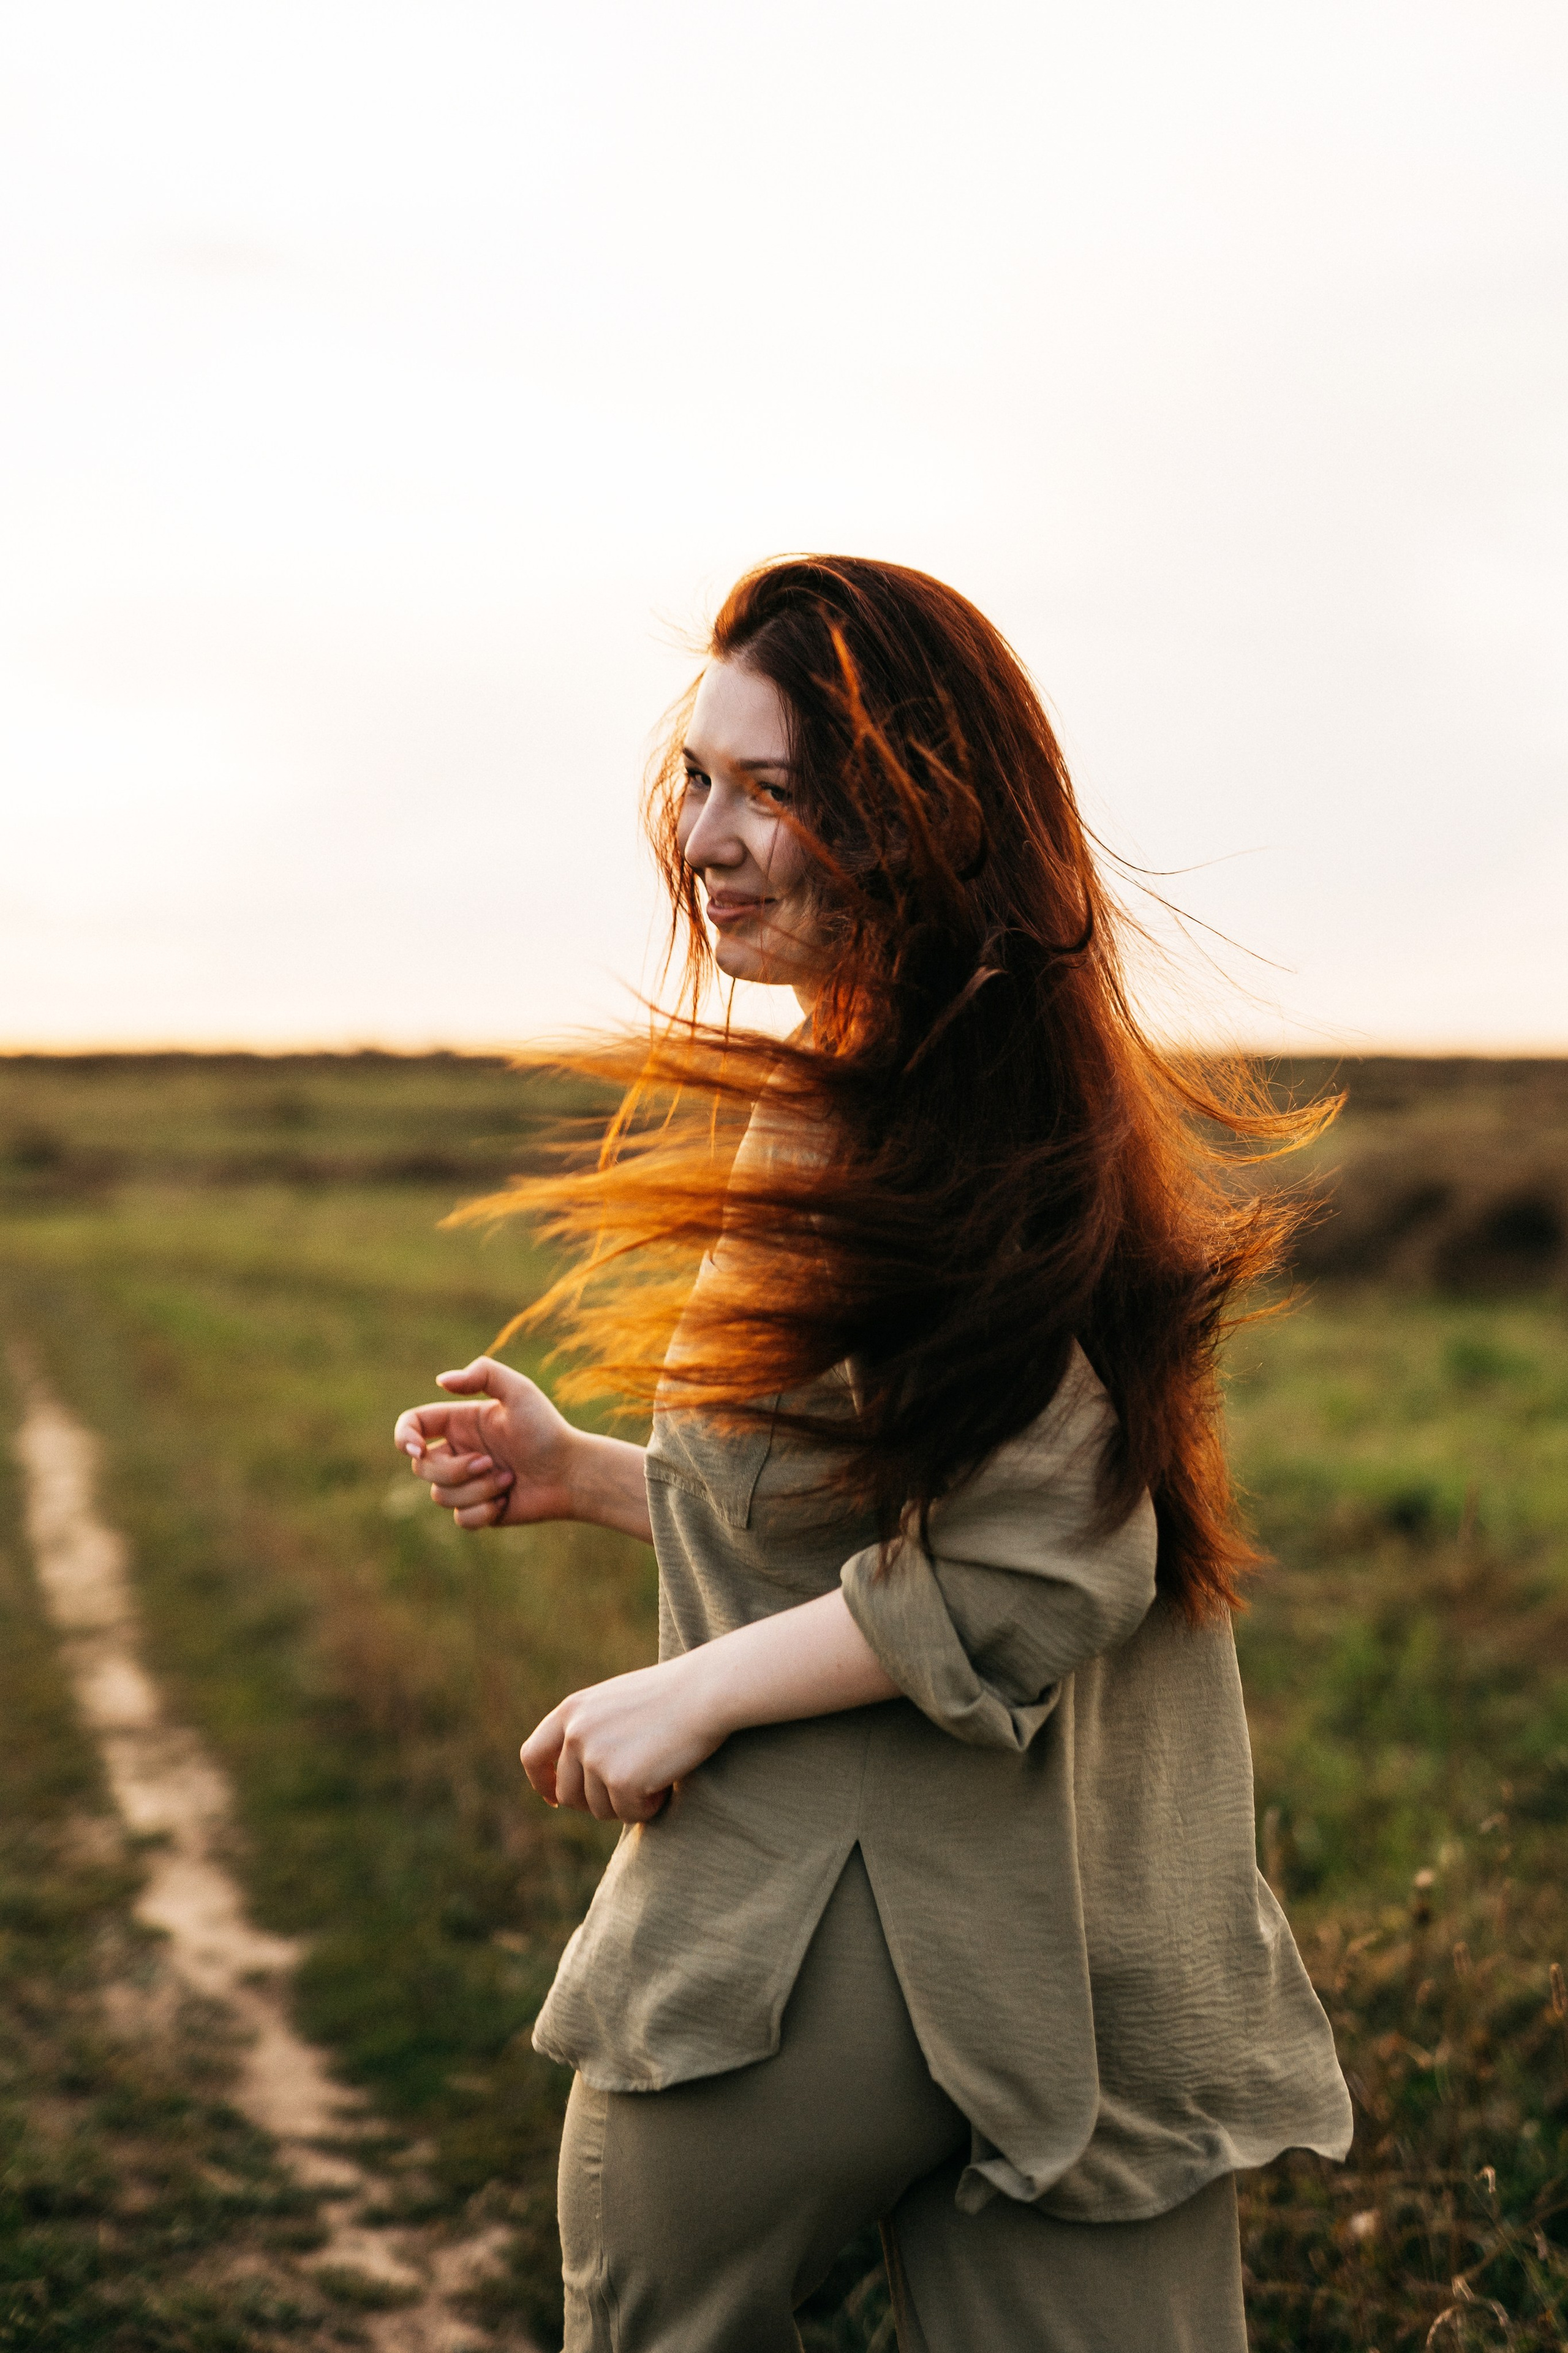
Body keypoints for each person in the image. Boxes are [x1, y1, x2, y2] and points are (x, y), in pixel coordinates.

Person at [393, 556, 1352, 2353]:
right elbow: (889, 1496)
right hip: (1073, 1968)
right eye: (699, 780)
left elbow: (1046, 1560)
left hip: (821, 1947)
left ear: (924, 810)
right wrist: (599, 1473)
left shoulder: (940, 1114)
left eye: (781, 789)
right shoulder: (920, 1081)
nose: (713, 835)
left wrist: (695, 1695)